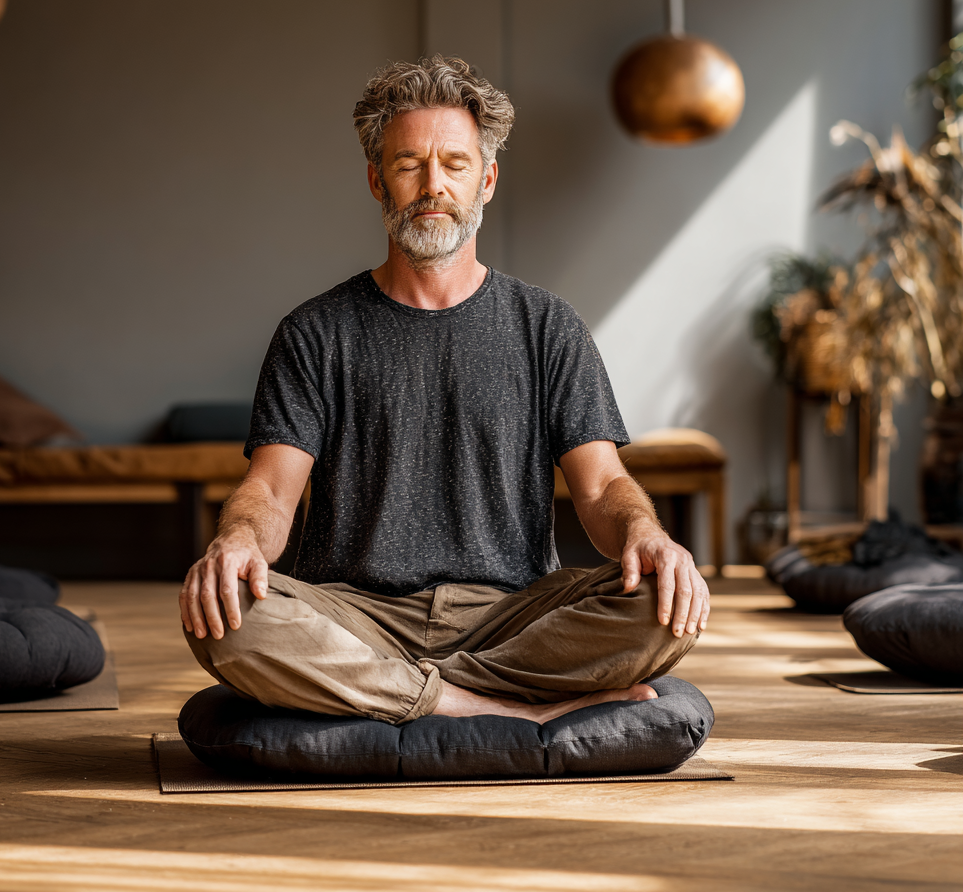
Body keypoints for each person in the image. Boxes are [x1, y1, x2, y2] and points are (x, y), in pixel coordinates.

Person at [180, 55, 709, 726]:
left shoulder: (547, 326)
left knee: (667, 602)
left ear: (485, 180)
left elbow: (603, 487)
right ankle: (508, 710)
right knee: (221, 619)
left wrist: (648, 534)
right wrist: (238, 543)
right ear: (378, 181)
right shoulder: (313, 332)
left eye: (454, 164)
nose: (434, 186)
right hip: (354, 612)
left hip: (513, 617)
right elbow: (270, 492)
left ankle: (401, 694)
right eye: (409, 165)